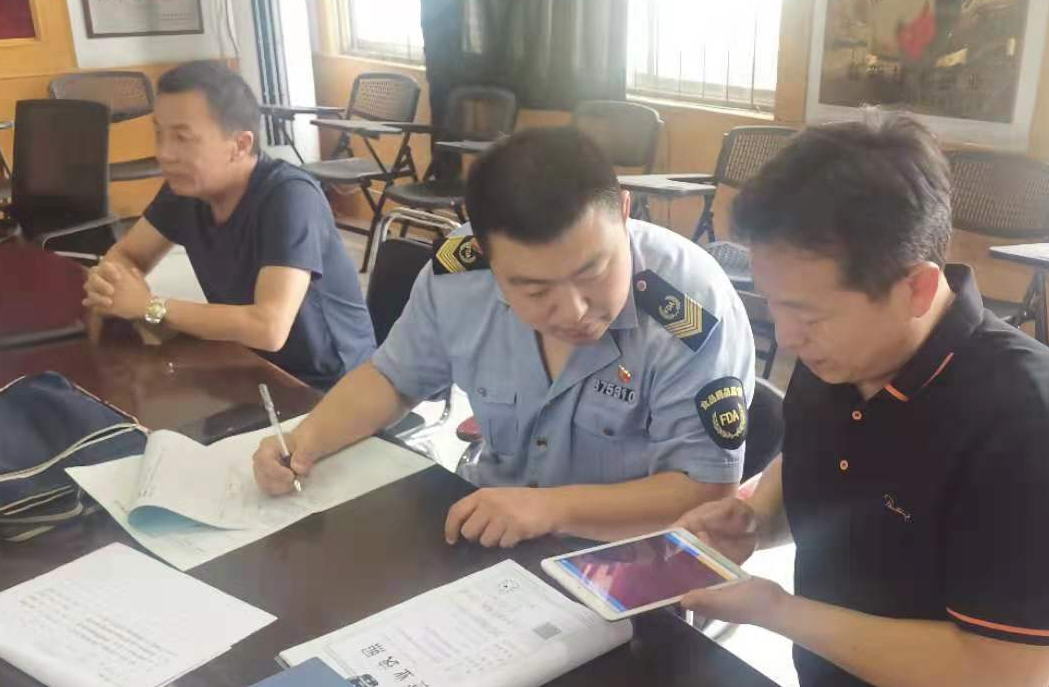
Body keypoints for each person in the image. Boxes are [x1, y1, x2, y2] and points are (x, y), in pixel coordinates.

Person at [676, 113, 1049, 687]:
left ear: (916, 287)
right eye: (774, 304)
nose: (785, 338)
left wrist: (775, 611)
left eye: (806, 313)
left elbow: (998, 683)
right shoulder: (841, 352)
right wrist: (754, 510)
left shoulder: (1035, 428)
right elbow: (826, 459)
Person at [253, 125, 756, 548]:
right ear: (486, 254)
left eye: (594, 272)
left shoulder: (690, 308)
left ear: (624, 213)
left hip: (628, 553)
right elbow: (392, 379)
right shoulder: (459, 276)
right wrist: (303, 442)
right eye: (535, 290)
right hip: (493, 532)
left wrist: (550, 509)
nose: (575, 311)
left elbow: (706, 490)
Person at [82, 60, 375, 389]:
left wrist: (149, 306)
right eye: (159, 134)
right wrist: (110, 283)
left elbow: (269, 327)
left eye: (182, 138)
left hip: (329, 384)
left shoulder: (290, 197)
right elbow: (128, 255)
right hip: (246, 362)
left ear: (240, 146)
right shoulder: (186, 189)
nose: (164, 153)